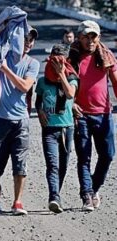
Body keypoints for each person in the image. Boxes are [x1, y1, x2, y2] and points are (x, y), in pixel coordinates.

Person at [0, 23, 40, 215]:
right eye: (24, 39)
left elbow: (24, 86)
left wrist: (5, 69)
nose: (28, 43)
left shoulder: (33, 63)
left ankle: (17, 202)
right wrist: (5, 26)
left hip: (21, 121)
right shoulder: (1, 54)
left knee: (20, 163)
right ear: (15, 39)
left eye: (31, 40)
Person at [69, 20, 117, 211]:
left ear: (98, 38)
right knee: (84, 158)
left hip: (104, 114)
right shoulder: (72, 58)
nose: (90, 40)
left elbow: (115, 82)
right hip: (81, 115)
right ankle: (87, 196)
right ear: (79, 38)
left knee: (107, 155)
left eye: (93, 37)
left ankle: (94, 188)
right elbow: (61, 84)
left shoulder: (106, 57)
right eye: (86, 37)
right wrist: (71, 103)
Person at [35, 44, 78, 213]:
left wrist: (61, 74)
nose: (57, 62)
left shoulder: (72, 77)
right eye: (54, 58)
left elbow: (70, 94)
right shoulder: (43, 81)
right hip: (50, 129)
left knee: (63, 164)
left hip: (66, 128)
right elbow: (38, 100)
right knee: (52, 164)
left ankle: (56, 194)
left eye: (61, 59)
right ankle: (54, 197)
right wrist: (39, 111)